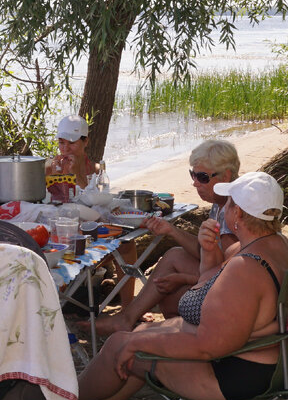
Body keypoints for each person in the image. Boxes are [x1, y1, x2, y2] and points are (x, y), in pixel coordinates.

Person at [69, 172, 288, 400]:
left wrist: (135, 344)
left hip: (233, 374)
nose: (223, 207)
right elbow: (211, 283)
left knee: (123, 345)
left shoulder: (247, 267)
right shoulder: (276, 245)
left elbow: (208, 346)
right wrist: (209, 250)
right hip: (268, 359)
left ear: (237, 214)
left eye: (228, 204)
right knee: (141, 333)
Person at [92, 139, 241, 336]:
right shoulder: (220, 202)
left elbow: (231, 271)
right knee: (173, 255)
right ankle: (128, 319)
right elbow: (206, 251)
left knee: (170, 296)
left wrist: (183, 278)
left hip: (233, 290)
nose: (195, 183)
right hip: (221, 275)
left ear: (227, 175)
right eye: (193, 174)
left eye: (202, 177)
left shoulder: (235, 210)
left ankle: (184, 336)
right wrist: (170, 230)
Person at [45, 114, 98, 202]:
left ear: (85, 142)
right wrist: (55, 178)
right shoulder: (49, 168)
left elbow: (94, 202)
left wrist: (76, 175)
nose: (66, 149)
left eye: (72, 143)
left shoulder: (95, 169)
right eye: (61, 143)